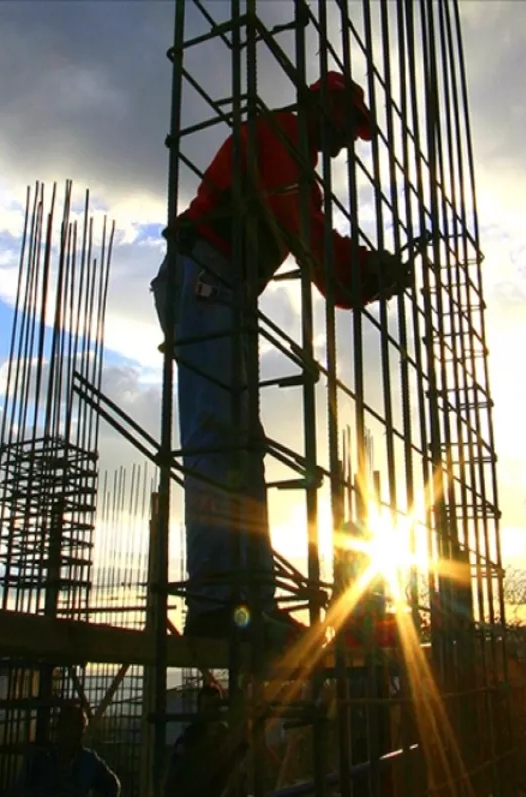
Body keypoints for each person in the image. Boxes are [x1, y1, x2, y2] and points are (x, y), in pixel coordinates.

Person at [150, 71, 412, 644]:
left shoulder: (290, 155)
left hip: (224, 288)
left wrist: (368, 273)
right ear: (323, 110)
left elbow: (319, 250)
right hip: (204, 278)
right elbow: (316, 249)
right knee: (219, 438)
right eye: (346, 128)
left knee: (242, 449)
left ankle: (249, 604)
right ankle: (218, 604)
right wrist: (374, 272)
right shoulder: (278, 141)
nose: (345, 144)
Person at [162, 683, 245, 797]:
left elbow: (238, 762)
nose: (211, 712)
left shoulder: (224, 734)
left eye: (215, 706)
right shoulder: (190, 737)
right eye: (207, 707)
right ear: (200, 710)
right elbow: (179, 778)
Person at [22, 702, 120, 797]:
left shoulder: (88, 761)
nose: (69, 733)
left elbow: (112, 786)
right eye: (66, 727)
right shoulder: (42, 760)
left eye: (73, 728)